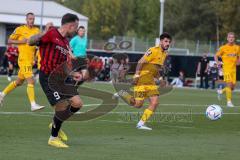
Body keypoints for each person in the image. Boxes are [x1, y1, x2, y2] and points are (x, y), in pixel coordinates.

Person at [28, 13, 99, 148]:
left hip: (62, 77)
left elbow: (63, 64)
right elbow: (30, 41)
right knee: (61, 106)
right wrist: (43, 32)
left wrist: (73, 75)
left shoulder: (66, 42)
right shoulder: (51, 34)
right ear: (71, 25)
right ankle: (53, 138)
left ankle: (55, 122)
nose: (77, 30)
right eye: (76, 27)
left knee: (77, 103)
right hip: (48, 77)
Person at [114, 33, 172, 130]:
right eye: (166, 41)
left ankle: (141, 124)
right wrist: (136, 75)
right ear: (161, 41)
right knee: (138, 104)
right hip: (142, 79)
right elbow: (140, 62)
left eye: (169, 42)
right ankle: (123, 93)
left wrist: (161, 79)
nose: (168, 43)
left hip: (151, 82)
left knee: (155, 102)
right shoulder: (153, 50)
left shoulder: (164, 54)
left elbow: (155, 69)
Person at [0, 12, 45, 111]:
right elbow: (10, 41)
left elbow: (39, 43)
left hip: (30, 60)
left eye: (33, 19)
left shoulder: (37, 30)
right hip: (23, 59)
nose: (31, 21)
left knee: (19, 82)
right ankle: (33, 104)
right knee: (31, 80)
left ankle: (2, 94)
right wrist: (22, 41)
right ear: (26, 19)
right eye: (29, 19)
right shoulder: (20, 29)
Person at [214, 32, 240, 107]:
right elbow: (216, 56)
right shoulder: (223, 48)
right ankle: (229, 102)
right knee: (229, 85)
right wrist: (218, 62)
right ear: (227, 38)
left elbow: (239, 56)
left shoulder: (237, 47)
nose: (231, 38)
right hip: (226, 69)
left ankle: (221, 91)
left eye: (232, 37)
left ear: (234, 38)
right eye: (230, 37)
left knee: (232, 87)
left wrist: (238, 61)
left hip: (234, 70)